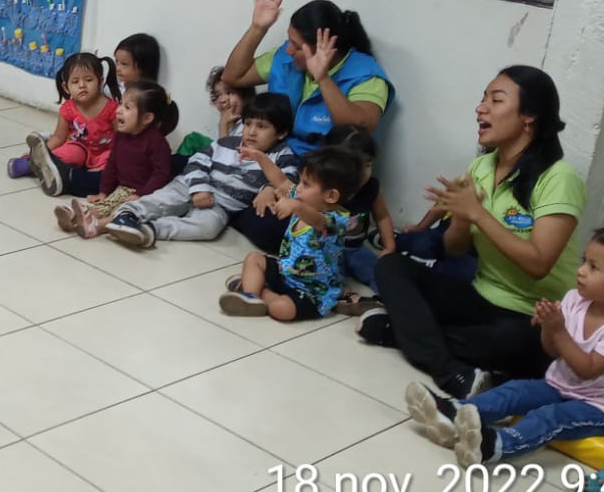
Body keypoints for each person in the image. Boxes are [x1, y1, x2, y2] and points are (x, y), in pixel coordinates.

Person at [360, 66, 587, 399]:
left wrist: (478, 214)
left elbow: (539, 263)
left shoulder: (558, 178)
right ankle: (450, 368)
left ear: (529, 117)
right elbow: (455, 249)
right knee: (391, 266)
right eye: (483, 99)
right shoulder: (482, 166)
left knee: (511, 343)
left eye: (496, 100)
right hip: (480, 297)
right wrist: (462, 219)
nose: (481, 108)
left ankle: (411, 337)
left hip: (532, 316)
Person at [406, 225, 604, 468]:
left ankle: (494, 446)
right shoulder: (575, 299)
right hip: (559, 385)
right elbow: (552, 351)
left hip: (600, 408)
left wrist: (559, 329)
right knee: (514, 391)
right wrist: (548, 327)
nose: (581, 271)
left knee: (549, 417)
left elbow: (586, 369)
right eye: (583, 261)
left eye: (594, 267)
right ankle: (454, 413)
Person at [219, 0, 394, 157]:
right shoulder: (285, 57)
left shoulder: (366, 74)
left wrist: (323, 79)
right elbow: (233, 77)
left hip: (324, 166)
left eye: (296, 45)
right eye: (289, 41)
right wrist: (258, 28)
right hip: (276, 158)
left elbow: (360, 128)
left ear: (322, 47)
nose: (288, 50)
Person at [105, 91, 296, 250]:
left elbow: (290, 179)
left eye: (261, 127)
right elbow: (197, 161)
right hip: (191, 186)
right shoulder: (227, 143)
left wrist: (268, 189)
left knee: (208, 227)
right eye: (247, 124)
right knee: (165, 199)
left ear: (281, 132)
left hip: (221, 205)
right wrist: (199, 188)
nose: (252, 132)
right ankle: (127, 214)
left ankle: (149, 230)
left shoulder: (282, 155)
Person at [219, 146, 363, 322]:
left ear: (330, 196)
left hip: (312, 291)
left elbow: (317, 221)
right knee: (254, 259)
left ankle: (261, 292)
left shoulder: (336, 221)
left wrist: (297, 206)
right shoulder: (301, 198)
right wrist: (260, 157)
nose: (299, 188)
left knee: (282, 309)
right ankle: (249, 297)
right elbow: (280, 181)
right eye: (300, 182)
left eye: (306, 184)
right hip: (285, 272)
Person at [55, 81, 176, 239]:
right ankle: (74, 217)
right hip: (122, 189)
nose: (118, 110)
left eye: (127, 107)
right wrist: (104, 191)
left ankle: (96, 227)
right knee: (105, 205)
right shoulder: (121, 135)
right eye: (120, 104)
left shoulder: (157, 142)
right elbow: (112, 163)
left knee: (122, 211)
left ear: (147, 118)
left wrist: (141, 194)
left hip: (146, 194)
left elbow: (161, 174)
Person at [9, 52, 121, 198]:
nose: (82, 85)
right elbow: (58, 137)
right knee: (68, 152)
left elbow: (121, 140)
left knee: (111, 163)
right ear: (66, 87)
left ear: (100, 81)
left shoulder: (112, 108)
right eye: (75, 82)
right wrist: (42, 153)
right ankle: (33, 164)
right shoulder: (68, 108)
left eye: (88, 80)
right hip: (79, 148)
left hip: (104, 152)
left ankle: (72, 176)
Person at [328, 125, 396, 312]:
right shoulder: (326, 187)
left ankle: (393, 298)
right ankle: (347, 297)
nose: (362, 172)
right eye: (354, 165)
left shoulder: (371, 187)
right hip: (328, 250)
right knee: (327, 274)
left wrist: (389, 247)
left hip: (356, 248)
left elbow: (382, 216)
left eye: (368, 164)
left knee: (379, 271)